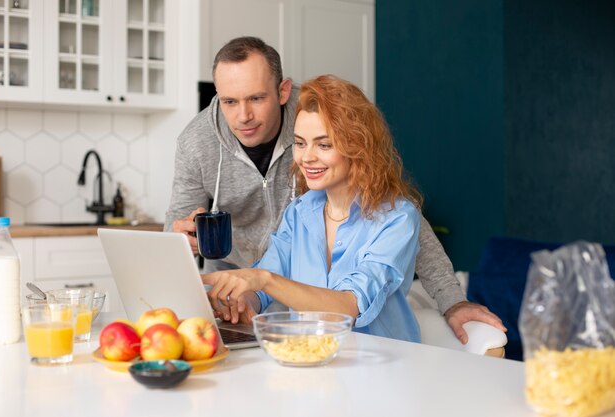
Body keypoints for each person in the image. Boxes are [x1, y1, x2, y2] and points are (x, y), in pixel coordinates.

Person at [164, 36, 505, 342]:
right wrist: (237, 291)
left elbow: (407, 230)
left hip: (381, 365)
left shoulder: (315, 110)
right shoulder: (300, 211)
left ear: (283, 92)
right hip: (276, 315)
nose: (243, 116)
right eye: (229, 102)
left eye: (256, 98)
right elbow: (185, 239)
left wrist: (453, 300)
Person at [203, 74, 422, 340]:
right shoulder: (299, 213)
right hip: (311, 362)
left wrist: (263, 280)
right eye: (300, 143)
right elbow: (265, 282)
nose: (307, 157)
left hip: (382, 367)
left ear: (358, 146)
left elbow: (350, 308)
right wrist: (243, 303)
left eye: (324, 144)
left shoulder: (397, 218)